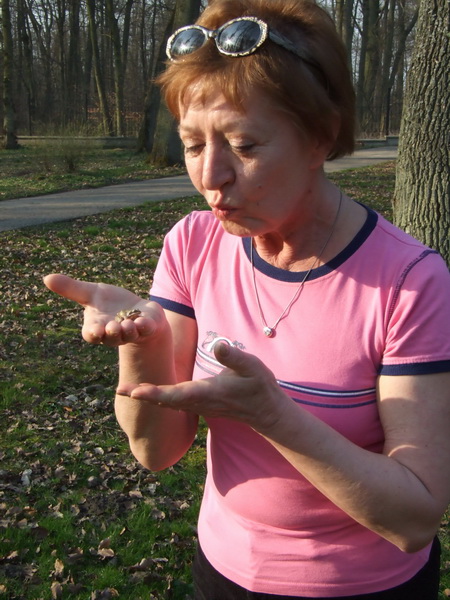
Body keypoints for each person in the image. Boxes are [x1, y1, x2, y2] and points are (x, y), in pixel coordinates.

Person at [44, 0, 450, 598]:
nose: (211, 176)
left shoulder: (410, 280)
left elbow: (414, 520)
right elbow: (156, 450)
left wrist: (273, 415)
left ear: (320, 137)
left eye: (244, 145)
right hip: (224, 570)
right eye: (192, 144)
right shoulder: (193, 243)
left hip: (362, 585)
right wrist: (142, 341)